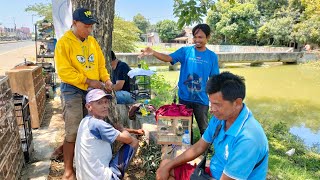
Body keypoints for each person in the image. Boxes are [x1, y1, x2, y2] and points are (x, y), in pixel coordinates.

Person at [156, 72, 269, 180]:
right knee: (165, 165)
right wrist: (168, 166)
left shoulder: (248, 139)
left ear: (237, 103)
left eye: (217, 104)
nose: (211, 110)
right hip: (213, 173)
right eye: (211, 103)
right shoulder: (220, 118)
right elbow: (199, 147)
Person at [54, 8, 113, 179]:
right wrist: (88, 81)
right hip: (72, 89)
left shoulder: (92, 42)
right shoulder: (64, 42)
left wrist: (106, 80)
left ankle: (91, 164)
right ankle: (68, 170)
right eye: (86, 26)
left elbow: (101, 65)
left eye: (91, 26)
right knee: (73, 130)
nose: (89, 30)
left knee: (93, 126)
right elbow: (64, 72)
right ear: (74, 23)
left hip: (93, 90)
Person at [140, 24, 220, 137]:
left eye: (200, 37)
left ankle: (206, 152)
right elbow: (168, 58)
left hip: (201, 99)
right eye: (195, 37)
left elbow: (214, 80)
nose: (197, 40)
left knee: (204, 128)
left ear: (208, 37)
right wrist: (153, 52)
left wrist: (214, 101)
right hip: (184, 97)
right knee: (185, 130)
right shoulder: (185, 51)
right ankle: (187, 150)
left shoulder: (212, 56)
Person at [75, 89, 138, 179]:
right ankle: (116, 176)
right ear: (89, 106)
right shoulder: (98, 124)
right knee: (134, 142)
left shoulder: (85, 121)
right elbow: (128, 139)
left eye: (106, 102)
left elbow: (113, 129)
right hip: (102, 177)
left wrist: (133, 131)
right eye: (99, 103)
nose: (105, 106)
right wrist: (123, 129)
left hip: (84, 177)